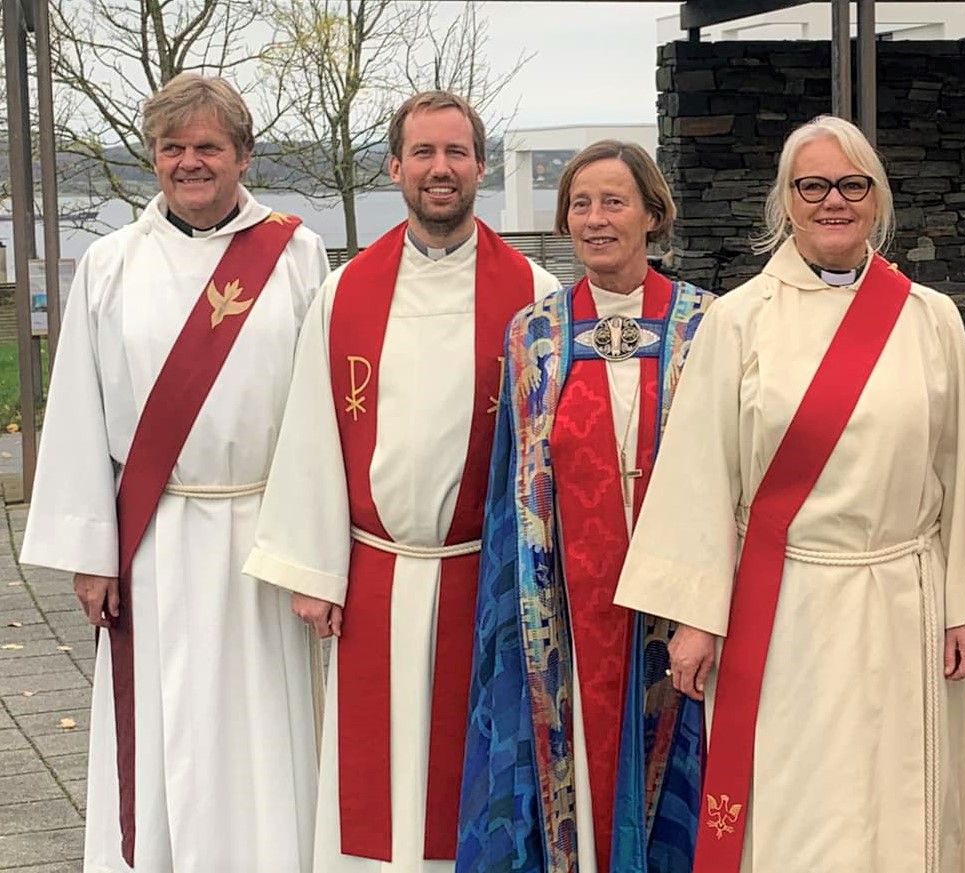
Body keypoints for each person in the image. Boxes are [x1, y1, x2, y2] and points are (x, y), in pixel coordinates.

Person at [614, 115, 965, 873]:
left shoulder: (931, 318)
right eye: (812, 185)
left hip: (903, 597)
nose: (833, 201)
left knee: (900, 800)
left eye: (852, 185)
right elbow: (699, 471)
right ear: (786, 201)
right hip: (784, 604)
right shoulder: (738, 320)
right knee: (797, 798)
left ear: (876, 200)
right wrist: (695, 619)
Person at [19, 72, 330, 873]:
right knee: (166, 723)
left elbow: (323, 410)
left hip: (268, 532)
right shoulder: (112, 263)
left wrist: (320, 550)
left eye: (208, 147)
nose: (191, 163)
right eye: (173, 149)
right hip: (155, 535)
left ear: (244, 156)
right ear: (154, 159)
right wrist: (94, 551)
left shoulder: (295, 255)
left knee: (265, 723)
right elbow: (80, 407)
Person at [244, 90, 561, 873]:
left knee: (471, 779)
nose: (440, 169)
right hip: (377, 566)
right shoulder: (344, 291)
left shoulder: (535, 297)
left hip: (483, 578)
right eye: (423, 153)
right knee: (373, 795)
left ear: (481, 168)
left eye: (456, 153)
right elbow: (313, 431)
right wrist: (316, 571)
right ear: (394, 168)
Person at [457, 141, 709, 873]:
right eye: (580, 204)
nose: (596, 220)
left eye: (614, 202)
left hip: (674, 605)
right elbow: (513, 486)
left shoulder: (706, 325)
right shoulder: (533, 334)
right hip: (562, 608)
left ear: (654, 214)